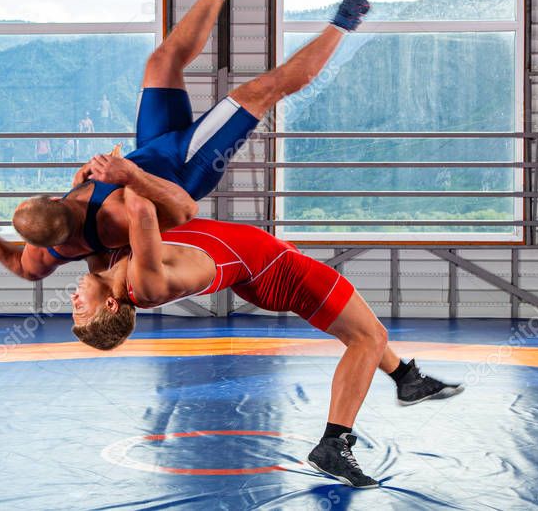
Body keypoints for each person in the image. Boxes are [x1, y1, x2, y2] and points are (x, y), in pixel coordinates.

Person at [0, 0, 371, 277]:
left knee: (161, 62)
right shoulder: (120, 219)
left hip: (151, 149)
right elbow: (185, 210)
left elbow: (24, 268)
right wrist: (128, 177)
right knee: (259, 92)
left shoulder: (46, 241)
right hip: (184, 167)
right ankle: (350, 17)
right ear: (55, 210)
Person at [68, 188, 463, 488]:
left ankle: (406, 381)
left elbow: (77, 219)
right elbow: (142, 205)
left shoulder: (109, 264)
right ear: (111, 307)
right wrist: (121, 170)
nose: (72, 297)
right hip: (278, 271)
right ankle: (333, 443)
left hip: (263, 269)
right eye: (80, 307)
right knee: (369, 337)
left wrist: (84, 186)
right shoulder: (142, 280)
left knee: (359, 333)